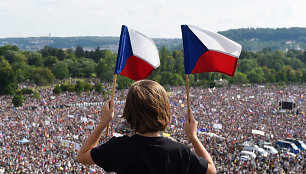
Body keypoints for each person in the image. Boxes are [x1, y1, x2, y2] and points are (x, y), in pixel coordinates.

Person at [76, 80, 216, 174]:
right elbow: (211, 171)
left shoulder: (119, 147)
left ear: (129, 111)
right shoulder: (179, 152)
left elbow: (82, 156)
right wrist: (193, 137)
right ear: (164, 109)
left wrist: (103, 123)